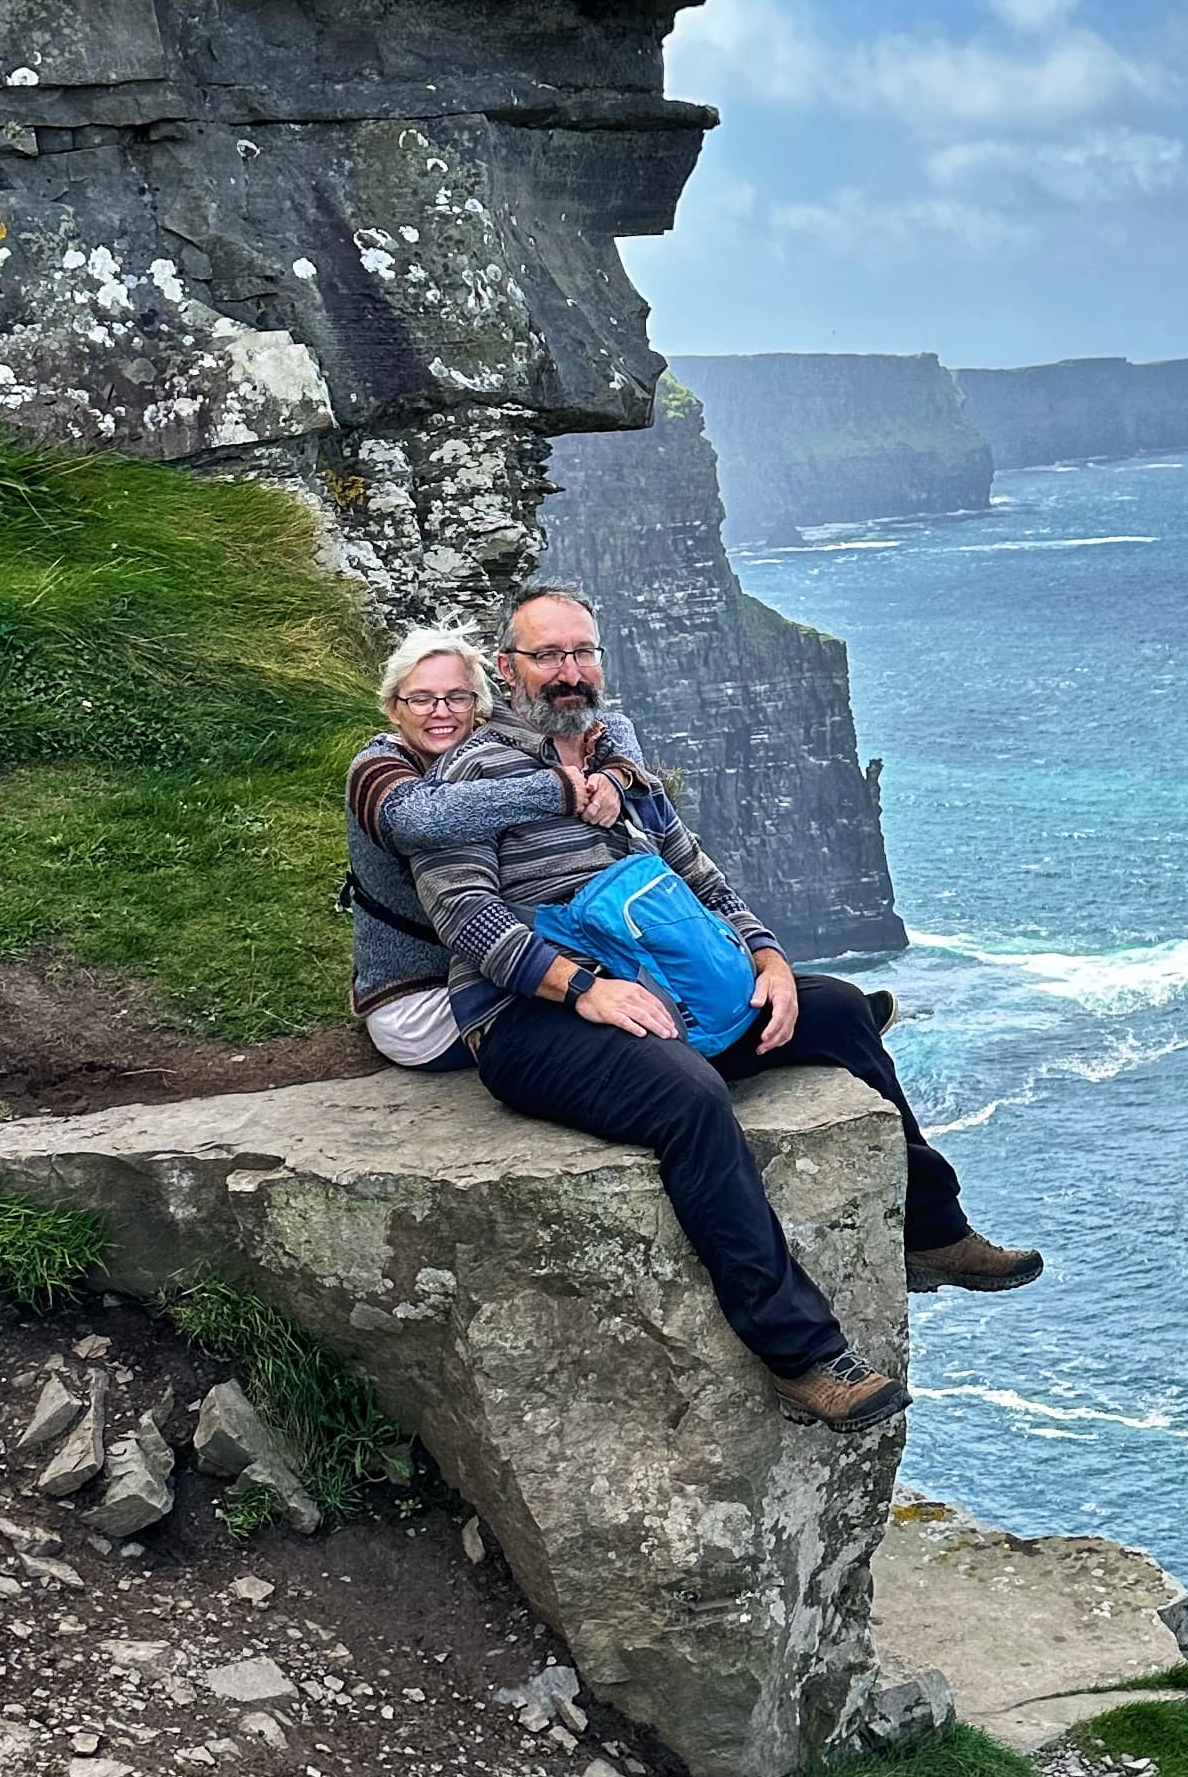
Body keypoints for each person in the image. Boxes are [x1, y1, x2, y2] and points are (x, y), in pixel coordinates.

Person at [402, 584, 1043, 1433]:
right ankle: (803, 1358)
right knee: (688, 1096)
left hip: (665, 990)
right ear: (508, 669)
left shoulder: (614, 761)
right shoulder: (472, 776)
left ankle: (931, 1229)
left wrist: (770, 959)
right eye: (547, 655)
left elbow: (697, 875)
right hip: (526, 1019)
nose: (568, 671)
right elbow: (465, 916)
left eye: (582, 652)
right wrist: (581, 988)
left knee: (839, 1009)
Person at [342, 626, 641, 1070]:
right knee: (622, 1017)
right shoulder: (375, 770)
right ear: (393, 708)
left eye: (457, 697)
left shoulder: (476, 751)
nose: (440, 712)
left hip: (491, 966)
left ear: (477, 704)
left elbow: (610, 725)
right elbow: (418, 819)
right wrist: (553, 790)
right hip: (422, 1001)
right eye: (421, 699)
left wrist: (617, 775)